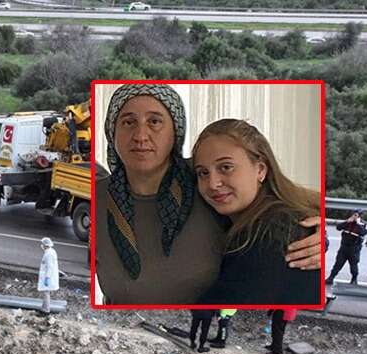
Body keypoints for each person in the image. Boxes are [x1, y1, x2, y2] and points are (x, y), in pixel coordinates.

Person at [94, 84, 321, 304]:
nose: (140, 135)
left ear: (176, 132)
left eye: (154, 122)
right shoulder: (94, 196)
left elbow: (283, 199)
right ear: (111, 133)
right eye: (128, 122)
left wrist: (315, 229)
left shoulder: (203, 183)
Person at [191, 119, 322, 306]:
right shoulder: (279, 218)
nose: (213, 183)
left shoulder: (270, 235)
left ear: (260, 169)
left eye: (226, 167)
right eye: (203, 173)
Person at [327, 210, 367, 285]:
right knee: (338, 263)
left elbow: (363, 232)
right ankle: (331, 277)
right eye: (354, 215)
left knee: (353, 265)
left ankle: (354, 279)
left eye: (356, 215)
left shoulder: (364, 224)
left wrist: (358, 223)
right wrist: (347, 221)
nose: (354, 216)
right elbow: (338, 227)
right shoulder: (348, 222)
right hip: (344, 247)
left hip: (354, 249)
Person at [38, 237, 59, 314]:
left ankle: (46, 310)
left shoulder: (49, 254)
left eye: (42, 244)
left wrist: (47, 278)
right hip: (49, 275)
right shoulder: (51, 251)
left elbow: (49, 267)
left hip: (48, 277)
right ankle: (44, 308)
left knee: (46, 294)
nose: (41, 246)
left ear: (45, 245)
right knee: (46, 293)